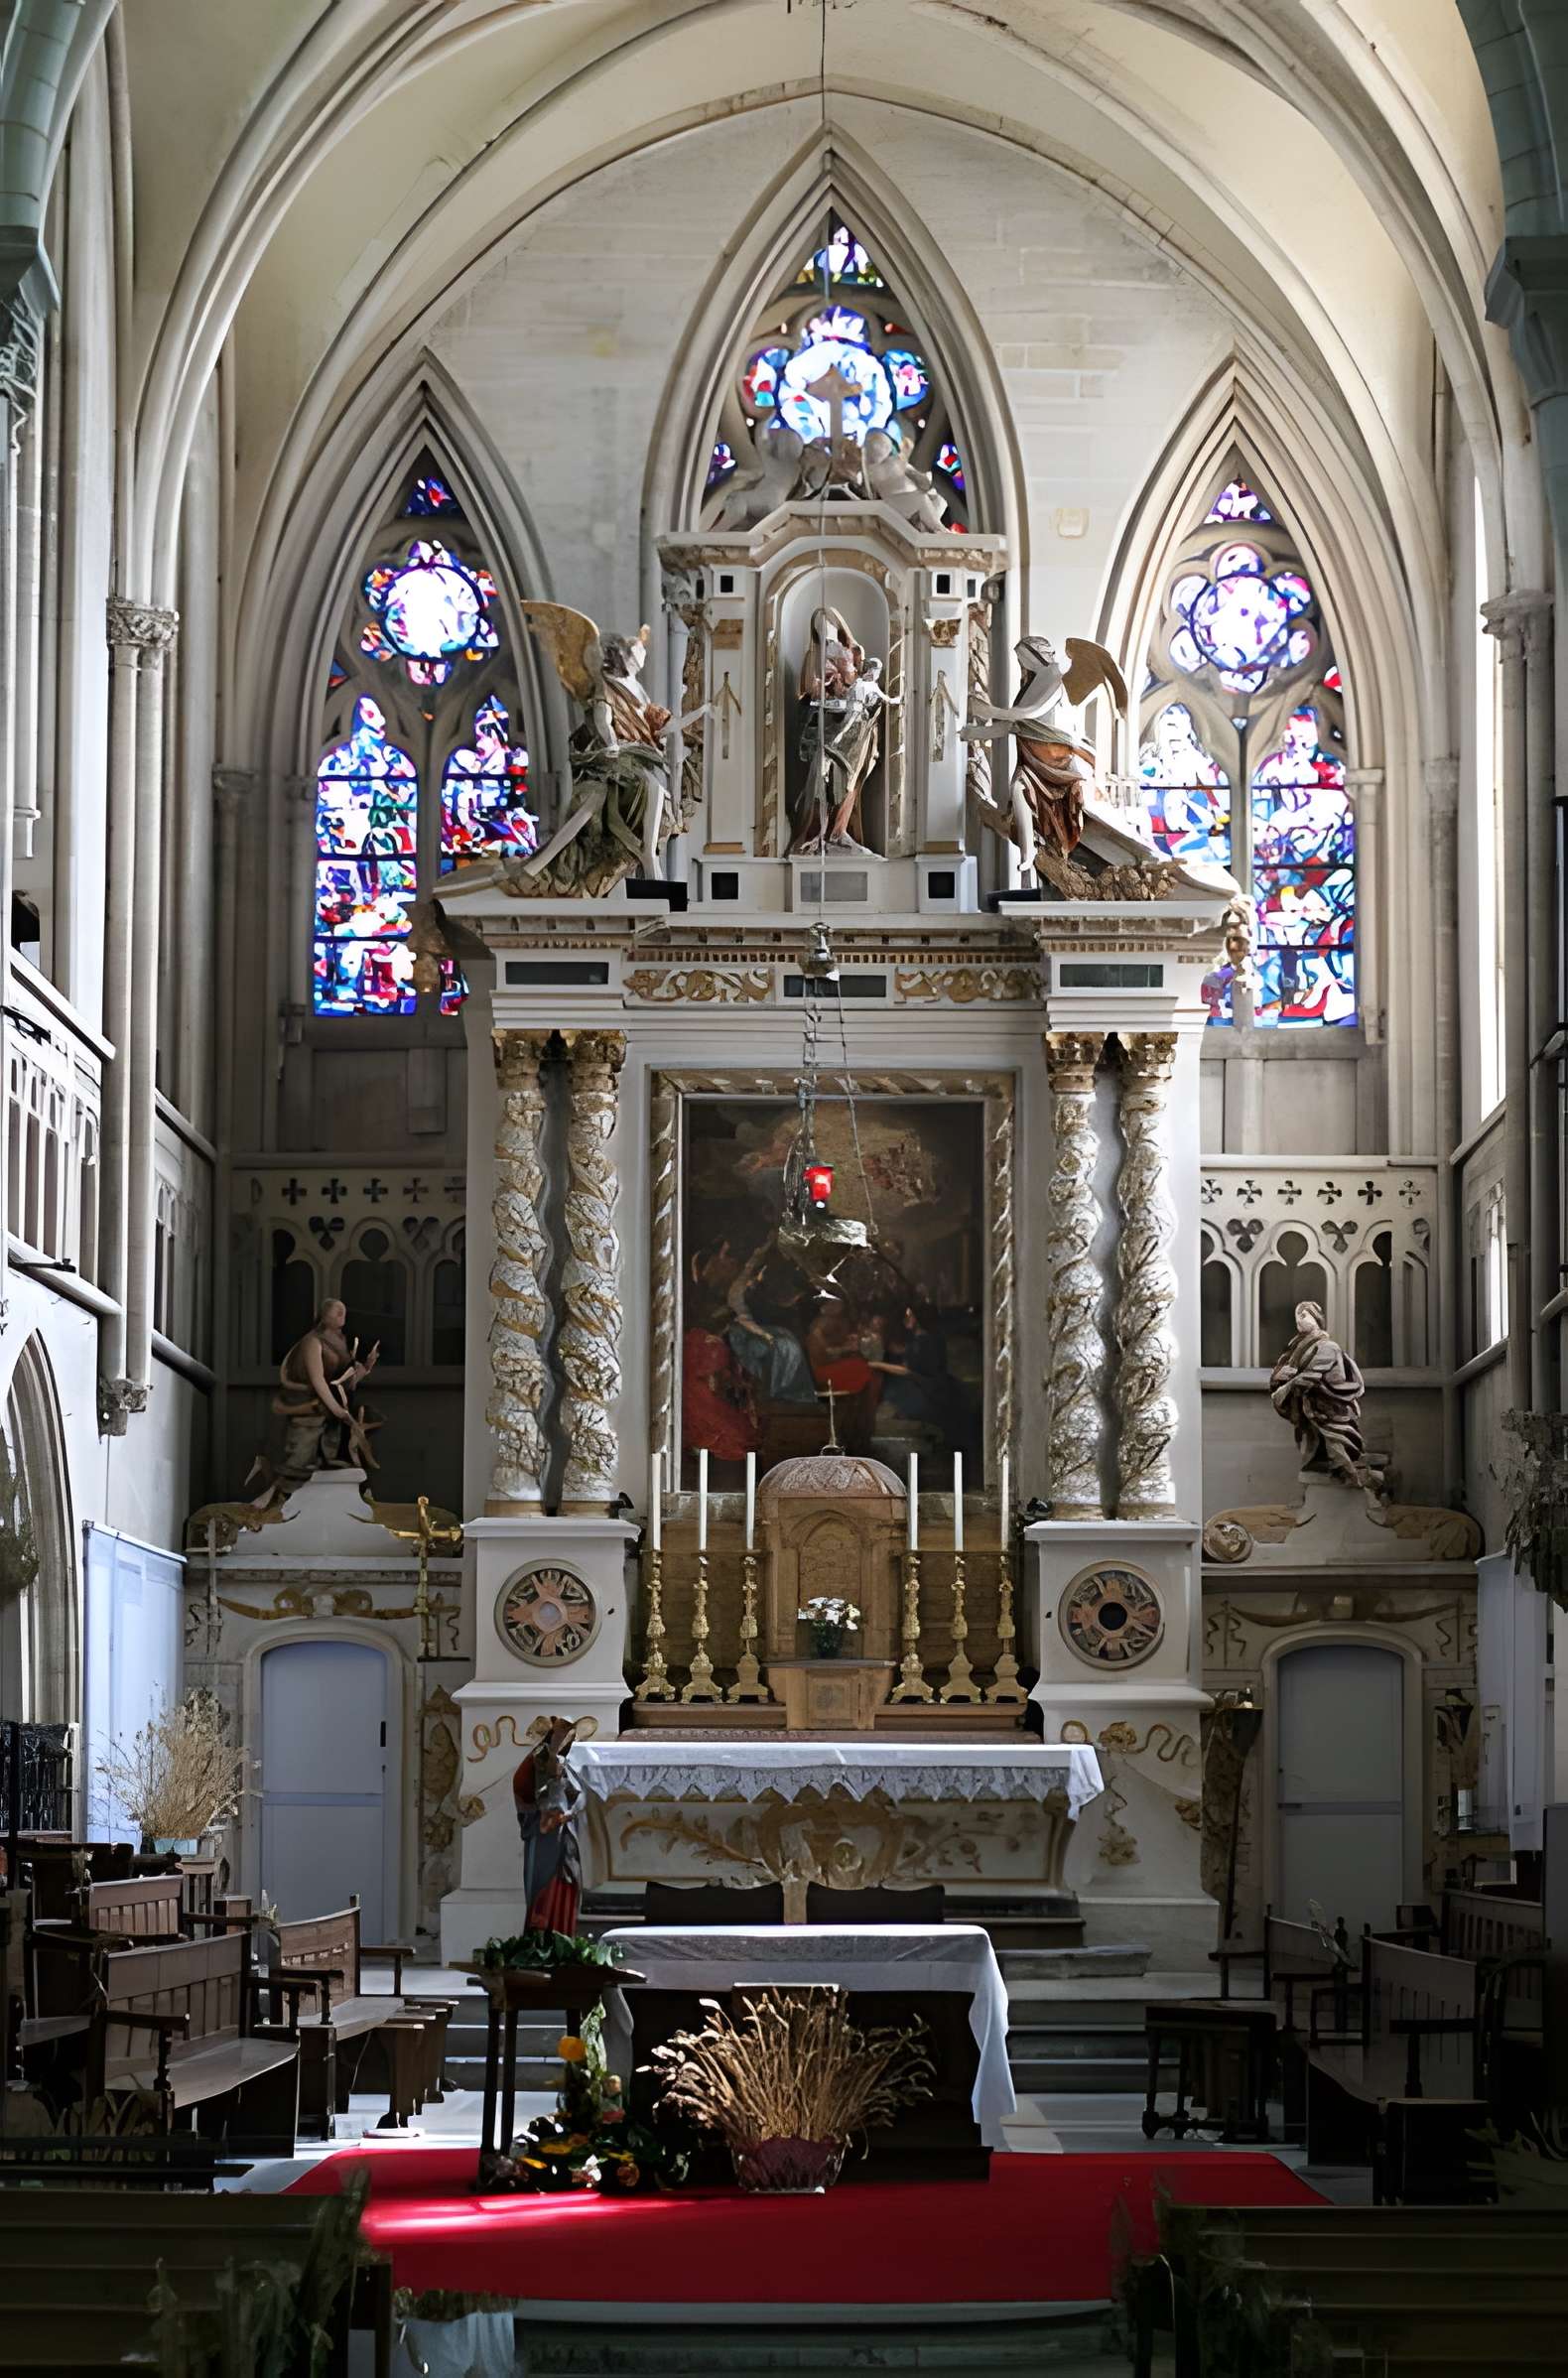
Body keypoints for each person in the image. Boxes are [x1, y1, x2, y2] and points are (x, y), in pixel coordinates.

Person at [248, 1298, 379, 1502]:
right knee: (300, 1460)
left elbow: (344, 1380)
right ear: (323, 1315)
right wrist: (336, 1409)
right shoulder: (312, 1341)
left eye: (343, 1312)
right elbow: (318, 1380)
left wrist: (367, 1368)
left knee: (339, 1458)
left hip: (335, 1410)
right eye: (337, 1312)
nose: (341, 1315)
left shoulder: (342, 1342)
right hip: (309, 1406)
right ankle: (277, 1498)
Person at [1268, 1299, 1377, 1489]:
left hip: (1330, 1410)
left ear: (1316, 1318)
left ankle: (1359, 1483)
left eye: (1303, 1315)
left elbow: (1311, 1376)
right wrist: (1279, 1376)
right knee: (1312, 1455)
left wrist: (1285, 1389)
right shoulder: (1296, 1347)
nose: (1298, 1320)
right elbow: (1284, 1372)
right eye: (1296, 1316)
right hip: (1310, 1411)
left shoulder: (1328, 1347)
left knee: (1338, 1454)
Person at [513, 1718, 585, 1934]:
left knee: (567, 1881)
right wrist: (548, 1815)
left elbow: (579, 1794)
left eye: (568, 1733)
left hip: (565, 1837)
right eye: (561, 1731)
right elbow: (525, 1789)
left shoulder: (570, 1764)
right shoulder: (538, 1760)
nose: (564, 1736)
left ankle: (563, 1935)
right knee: (542, 1884)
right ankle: (539, 1937)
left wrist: (570, 1813)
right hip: (545, 1836)